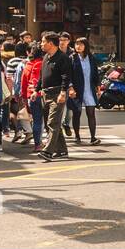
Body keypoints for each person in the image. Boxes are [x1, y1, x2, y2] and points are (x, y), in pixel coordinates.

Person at [38, 32, 72, 160]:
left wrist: (63, 92)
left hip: (58, 93)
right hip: (45, 93)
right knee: (51, 124)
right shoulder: (46, 57)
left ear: (51, 43)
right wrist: (37, 89)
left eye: (43, 42)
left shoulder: (63, 58)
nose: (41, 44)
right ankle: (62, 151)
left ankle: (48, 151)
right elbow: (42, 76)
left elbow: (66, 77)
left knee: (53, 122)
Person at [68, 38, 102, 145]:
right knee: (76, 113)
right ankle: (77, 136)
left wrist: (98, 86)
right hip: (77, 90)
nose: (78, 46)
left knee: (91, 113)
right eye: (76, 44)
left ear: (85, 46)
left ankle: (93, 137)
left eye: (81, 44)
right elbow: (68, 75)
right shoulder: (72, 58)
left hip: (89, 89)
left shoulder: (91, 58)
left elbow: (95, 73)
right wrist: (70, 87)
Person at [20, 46, 44, 150]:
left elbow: (23, 84)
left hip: (30, 96)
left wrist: (24, 98)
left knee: (36, 120)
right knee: (45, 121)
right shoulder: (43, 64)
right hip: (42, 95)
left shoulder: (27, 66)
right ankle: (43, 143)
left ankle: (37, 144)